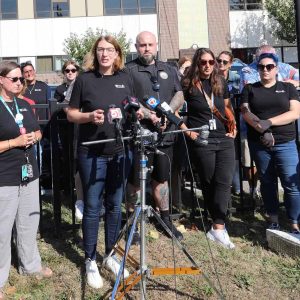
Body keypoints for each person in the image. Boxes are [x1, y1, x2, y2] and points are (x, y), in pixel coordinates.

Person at [67, 35, 133, 289]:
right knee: (93, 207)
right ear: (95, 54)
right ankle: (90, 259)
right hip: (91, 154)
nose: (104, 54)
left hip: (119, 152)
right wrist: (88, 116)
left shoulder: (125, 78)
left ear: (117, 54)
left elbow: (133, 107)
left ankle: (111, 255)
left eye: (109, 50)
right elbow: (71, 114)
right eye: (100, 50)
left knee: (115, 206)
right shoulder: (84, 79)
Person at [0, 61, 52, 299]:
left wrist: (35, 136)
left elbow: (37, 129)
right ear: (1, 80)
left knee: (29, 223)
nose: (20, 82)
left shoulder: (23, 104)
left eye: (21, 79)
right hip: (5, 177)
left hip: (29, 173)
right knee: (2, 229)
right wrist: (14, 143)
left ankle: (30, 265)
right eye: (14, 79)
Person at [125, 31, 184, 241]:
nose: (147, 48)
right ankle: (133, 223)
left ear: (156, 45)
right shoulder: (129, 70)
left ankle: (165, 220)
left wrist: (167, 113)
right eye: (142, 45)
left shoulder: (169, 68)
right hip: (140, 134)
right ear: (136, 46)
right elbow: (128, 98)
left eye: (150, 44)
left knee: (162, 178)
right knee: (136, 180)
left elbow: (179, 93)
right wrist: (150, 115)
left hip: (165, 134)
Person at [181, 48, 237, 249]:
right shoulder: (187, 84)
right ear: (197, 63)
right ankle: (215, 222)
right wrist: (188, 132)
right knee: (208, 181)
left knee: (224, 181)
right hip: (202, 140)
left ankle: (218, 226)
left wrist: (233, 125)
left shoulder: (220, 81)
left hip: (223, 138)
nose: (207, 66)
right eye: (203, 62)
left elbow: (227, 107)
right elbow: (177, 112)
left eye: (211, 62)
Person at [240, 52, 300, 233]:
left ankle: (294, 222)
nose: (265, 70)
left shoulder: (287, 88)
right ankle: (273, 219)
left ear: (276, 69)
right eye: (261, 67)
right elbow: (245, 112)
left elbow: (295, 113)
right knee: (267, 182)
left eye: (269, 67)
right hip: (260, 143)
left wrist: (269, 122)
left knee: (292, 184)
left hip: (285, 142)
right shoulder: (250, 89)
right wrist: (263, 130)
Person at [217, 51, 241, 196]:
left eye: (225, 62)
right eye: (219, 61)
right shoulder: (212, 78)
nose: (221, 64)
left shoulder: (236, 79)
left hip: (233, 118)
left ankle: (237, 186)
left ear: (230, 64)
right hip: (218, 119)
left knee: (235, 154)